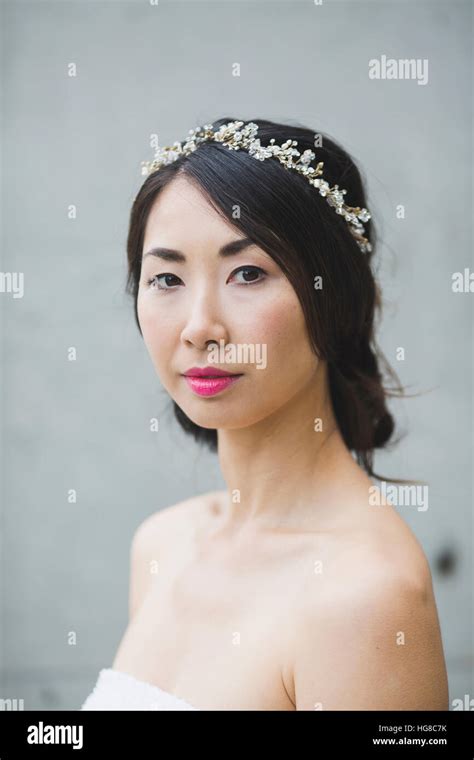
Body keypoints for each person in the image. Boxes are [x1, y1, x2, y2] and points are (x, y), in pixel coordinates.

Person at [81, 118, 448, 711]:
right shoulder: (163, 545)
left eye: (247, 273)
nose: (201, 326)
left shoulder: (366, 596)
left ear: (336, 296)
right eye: (166, 277)